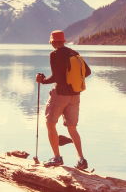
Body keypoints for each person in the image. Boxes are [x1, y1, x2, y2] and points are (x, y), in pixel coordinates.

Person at [35, 29, 90, 169]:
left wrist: (43, 81)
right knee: (72, 128)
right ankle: (82, 160)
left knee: (50, 123)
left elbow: (57, 77)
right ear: (63, 41)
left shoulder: (55, 54)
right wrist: (73, 81)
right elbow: (88, 72)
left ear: (52, 42)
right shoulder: (74, 53)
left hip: (60, 95)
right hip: (75, 95)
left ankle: (57, 158)